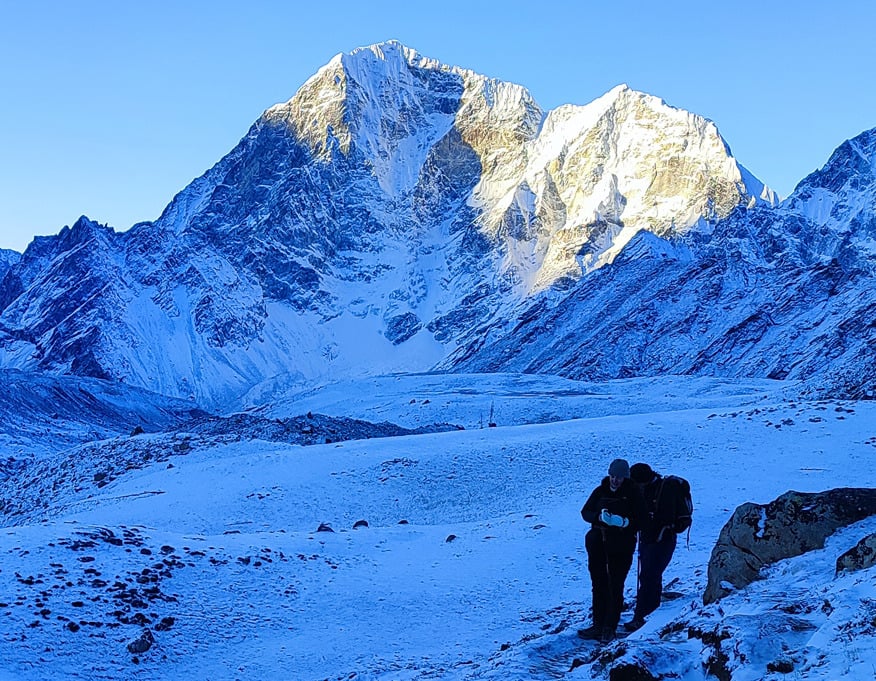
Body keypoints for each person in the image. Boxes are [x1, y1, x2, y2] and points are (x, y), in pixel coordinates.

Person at [578, 458, 645, 643]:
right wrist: (599, 518)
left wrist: (624, 522)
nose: (615, 480)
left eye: (619, 477)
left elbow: (642, 519)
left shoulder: (633, 494)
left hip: (621, 545)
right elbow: (585, 512)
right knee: (598, 583)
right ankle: (598, 624)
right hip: (598, 542)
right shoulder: (600, 491)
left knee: (615, 585)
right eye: (613, 476)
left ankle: (610, 627)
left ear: (626, 477)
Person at [623, 462, 679, 632]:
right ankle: (645, 615)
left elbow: (665, 517)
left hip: (660, 539)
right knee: (650, 576)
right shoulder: (650, 489)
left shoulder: (663, 491)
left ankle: (643, 617)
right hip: (652, 539)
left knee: (649, 576)